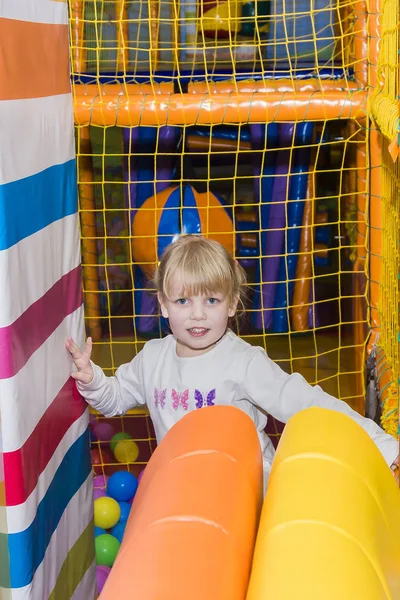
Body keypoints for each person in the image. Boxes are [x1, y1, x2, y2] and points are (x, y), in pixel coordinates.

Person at [66, 235, 399, 491]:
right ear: (164, 305)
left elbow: (308, 404)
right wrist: (91, 378)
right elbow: (115, 398)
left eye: (211, 300)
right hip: (183, 488)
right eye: (183, 300)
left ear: (231, 305)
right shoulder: (153, 358)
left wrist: (382, 445)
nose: (198, 314)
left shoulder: (242, 362)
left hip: (248, 486)